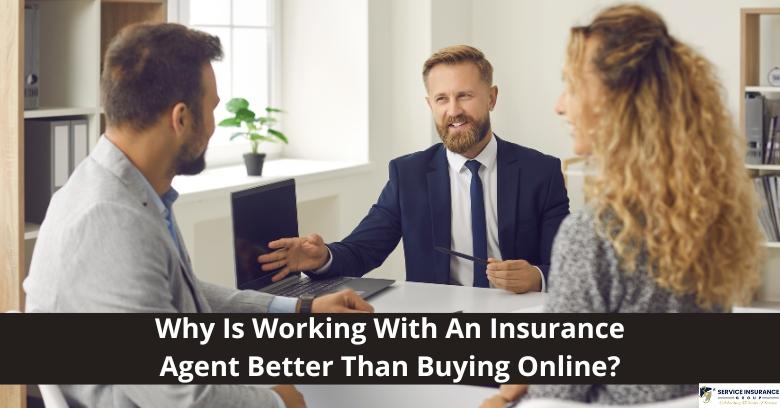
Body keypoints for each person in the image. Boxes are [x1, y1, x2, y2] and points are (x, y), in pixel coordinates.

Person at [23, 23, 373, 408]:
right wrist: (279, 403)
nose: (213, 126)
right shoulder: (110, 218)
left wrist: (300, 308)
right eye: (212, 110)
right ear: (181, 118)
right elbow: (181, 397)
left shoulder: (125, 191)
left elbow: (177, 290)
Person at [481, 4, 762, 406]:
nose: (560, 105)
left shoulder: (597, 233)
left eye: (573, 87)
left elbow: (556, 399)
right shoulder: (707, 211)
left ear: (620, 104)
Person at [259, 45, 570, 294]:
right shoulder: (408, 174)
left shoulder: (540, 171)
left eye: (464, 95)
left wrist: (536, 276)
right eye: (441, 99)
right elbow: (363, 250)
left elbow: (566, 268)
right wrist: (322, 257)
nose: (454, 111)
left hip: (518, 318)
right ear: (429, 105)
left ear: (491, 97)